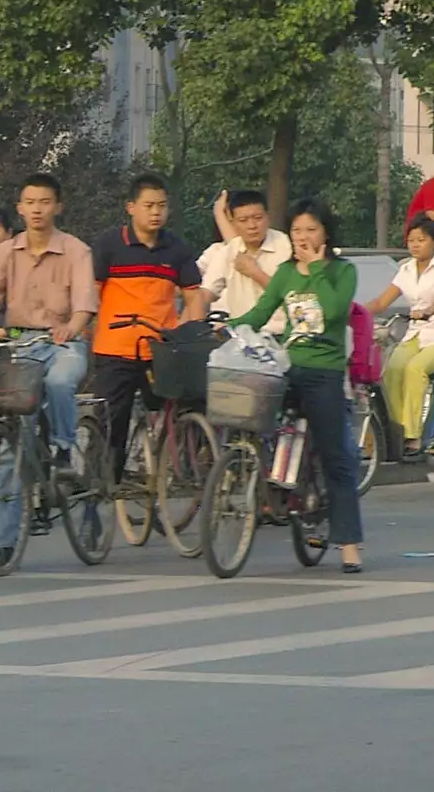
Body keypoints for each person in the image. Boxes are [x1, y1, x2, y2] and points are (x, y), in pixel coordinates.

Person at [0, 173, 97, 564]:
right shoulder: (6, 252)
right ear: (20, 207)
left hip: (64, 343)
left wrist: (73, 327)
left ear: (58, 206)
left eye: (45, 202)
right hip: (19, 345)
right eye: (29, 202)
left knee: (62, 380)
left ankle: (65, 448)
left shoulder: (76, 251)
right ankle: (6, 540)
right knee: (11, 449)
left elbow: (84, 302)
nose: (37, 209)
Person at [228, 199, 365, 573]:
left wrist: (318, 268)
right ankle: (270, 483)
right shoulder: (286, 273)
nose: (303, 237)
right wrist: (229, 328)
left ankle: (350, 543)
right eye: (297, 230)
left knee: (337, 457)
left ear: (326, 233)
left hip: (325, 372)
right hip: (288, 366)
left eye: (311, 230)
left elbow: (334, 311)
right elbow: (262, 312)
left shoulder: (342, 271)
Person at [91, 173, 209, 479]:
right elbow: (92, 292)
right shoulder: (109, 244)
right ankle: (101, 485)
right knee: (110, 424)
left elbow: (194, 297)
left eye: (162, 205)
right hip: (115, 348)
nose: (156, 212)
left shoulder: (177, 248)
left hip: (160, 350)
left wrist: (186, 331)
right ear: (130, 207)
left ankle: (184, 465)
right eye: (149, 205)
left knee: (191, 399)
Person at [364, 219, 434, 457]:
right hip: (415, 335)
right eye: (411, 241)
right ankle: (397, 431)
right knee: (392, 370)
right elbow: (381, 302)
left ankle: (413, 435)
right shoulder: (405, 268)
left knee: (415, 369)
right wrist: (352, 313)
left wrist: (429, 311)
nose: (415, 245)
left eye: (421, 240)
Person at [199, 189, 290, 333]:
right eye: (243, 220)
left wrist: (256, 273)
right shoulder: (228, 252)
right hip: (243, 338)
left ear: (268, 217)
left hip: (282, 335)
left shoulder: (287, 247)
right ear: (232, 222)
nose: (252, 226)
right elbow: (205, 294)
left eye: (258, 218)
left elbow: (294, 296)